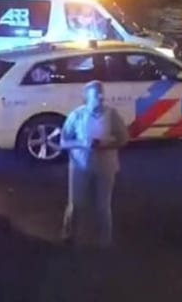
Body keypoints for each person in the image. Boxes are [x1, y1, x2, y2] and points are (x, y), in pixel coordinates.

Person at [60, 80, 129, 247]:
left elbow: (123, 139)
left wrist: (106, 144)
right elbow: (63, 141)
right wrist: (82, 143)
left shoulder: (112, 115)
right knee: (76, 204)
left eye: (101, 94)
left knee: (103, 206)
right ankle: (69, 236)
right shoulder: (77, 115)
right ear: (87, 98)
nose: (100, 98)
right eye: (96, 95)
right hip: (80, 167)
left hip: (105, 168)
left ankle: (104, 242)